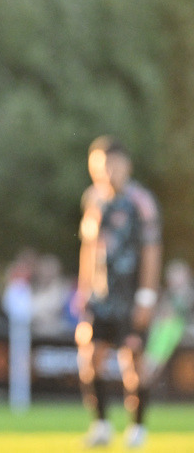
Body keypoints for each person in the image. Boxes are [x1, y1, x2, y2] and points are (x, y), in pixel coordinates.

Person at [75, 136, 161, 449]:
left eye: (112, 164)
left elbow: (152, 250)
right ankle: (100, 425)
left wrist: (146, 297)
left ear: (126, 165)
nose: (106, 171)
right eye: (99, 165)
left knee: (133, 362)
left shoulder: (141, 202)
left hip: (131, 296)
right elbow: (89, 248)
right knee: (89, 357)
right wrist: (83, 290)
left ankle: (137, 428)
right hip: (101, 297)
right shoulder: (93, 199)